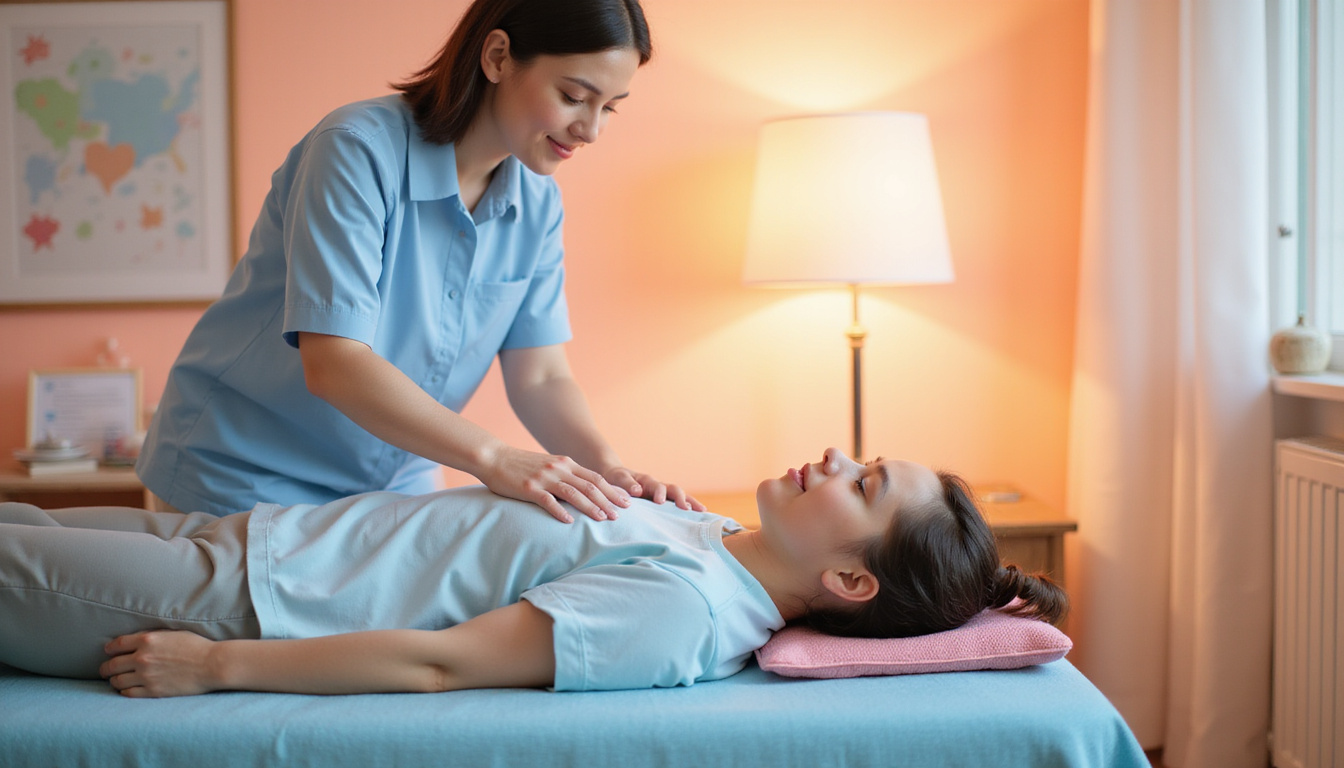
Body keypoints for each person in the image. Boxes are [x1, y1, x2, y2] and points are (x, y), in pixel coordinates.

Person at [136, 0, 696, 522]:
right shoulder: (355, 151)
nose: (591, 130)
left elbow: (541, 376)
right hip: (244, 473)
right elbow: (335, 361)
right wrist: (495, 457)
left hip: (394, 482)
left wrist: (607, 468)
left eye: (609, 108)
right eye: (575, 97)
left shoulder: (537, 201)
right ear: (498, 57)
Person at [0, 448, 1067, 697]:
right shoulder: (699, 539)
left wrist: (219, 666)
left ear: (850, 583)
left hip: (238, 601)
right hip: (249, 537)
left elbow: (445, 663)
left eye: (865, 482)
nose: (835, 458)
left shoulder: (680, 611)